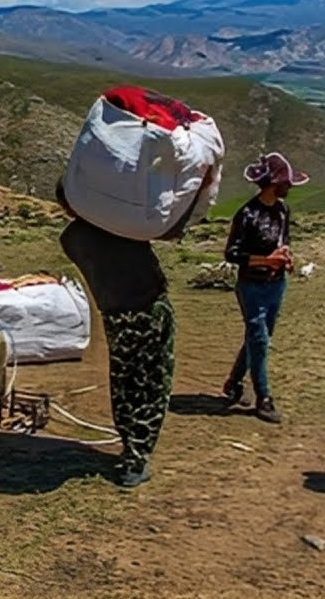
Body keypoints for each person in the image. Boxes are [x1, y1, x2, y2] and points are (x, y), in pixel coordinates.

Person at [56, 166, 215, 488]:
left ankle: (130, 445)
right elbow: (168, 229)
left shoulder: (70, 238)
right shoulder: (119, 225)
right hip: (148, 310)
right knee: (152, 383)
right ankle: (136, 457)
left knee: (125, 381)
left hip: (116, 318)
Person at [220, 152, 308, 424]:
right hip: (252, 285)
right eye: (286, 182)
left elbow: (283, 241)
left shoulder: (283, 210)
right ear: (273, 183)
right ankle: (264, 397)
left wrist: (285, 257)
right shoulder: (247, 214)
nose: (289, 187)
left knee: (260, 337)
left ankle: (234, 382)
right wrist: (266, 260)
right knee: (259, 338)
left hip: (276, 283)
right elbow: (231, 253)